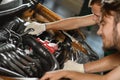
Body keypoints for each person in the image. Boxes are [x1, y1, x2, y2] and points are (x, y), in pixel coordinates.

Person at [39, 0, 120, 80]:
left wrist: (71, 72)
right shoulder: (105, 16)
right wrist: (44, 26)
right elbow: (77, 21)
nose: (99, 32)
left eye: (104, 23)